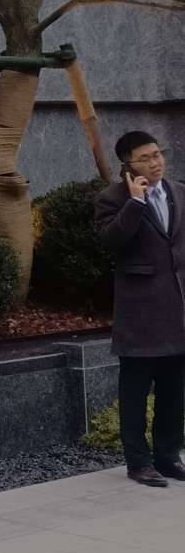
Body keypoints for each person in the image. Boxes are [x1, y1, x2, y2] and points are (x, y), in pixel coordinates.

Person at [95, 131, 185, 488]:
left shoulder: (179, 191)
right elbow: (110, 241)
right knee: (134, 393)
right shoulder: (112, 198)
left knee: (174, 391)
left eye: (157, 154)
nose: (155, 162)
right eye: (145, 158)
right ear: (127, 165)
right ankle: (138, 463)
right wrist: (135, 202)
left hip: (177, 308)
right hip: (140, 312)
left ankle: (168, 456)